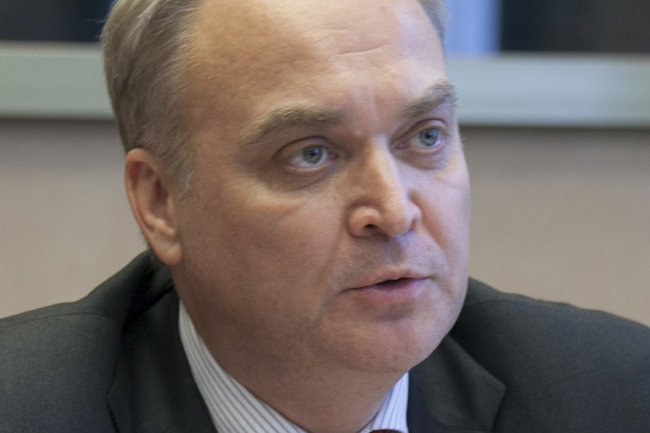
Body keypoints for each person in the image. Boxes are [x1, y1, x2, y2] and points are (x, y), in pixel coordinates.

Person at [1, 0, 648, 432]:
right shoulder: (27, 406)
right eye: (310, 154)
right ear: (160, 203)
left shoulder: (612, 394)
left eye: (425, 136)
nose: (394, 211)